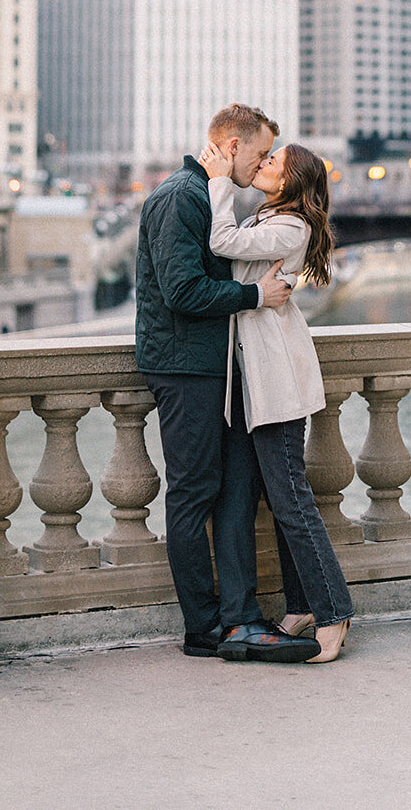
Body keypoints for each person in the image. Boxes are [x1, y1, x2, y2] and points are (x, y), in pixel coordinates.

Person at [135, 104, 321, 662]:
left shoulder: (209, 197)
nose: (263, 163)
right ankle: (205, 628)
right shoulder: (179, 197)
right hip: (184, 366)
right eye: (260, 153)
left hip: (224, 370)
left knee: (237, 492)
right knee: (194, 493)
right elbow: (182, 292)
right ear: (231, 146)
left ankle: (241, 617)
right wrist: (255, 296)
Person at [198, 137, 354, 664]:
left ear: (290, 181)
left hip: (278, 381)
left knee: (292, 502)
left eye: (272, 161)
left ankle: (334, 612)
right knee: (281, 499)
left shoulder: (290, 225)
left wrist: (219, 179)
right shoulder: (271, 217)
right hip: (260, 378)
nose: (263, 164)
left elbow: (221, 242)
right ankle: (302, 605)